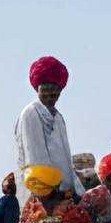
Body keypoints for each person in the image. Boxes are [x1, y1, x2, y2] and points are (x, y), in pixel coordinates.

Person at [14, 55, 77, 195]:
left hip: (63, 193)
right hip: (41, 192)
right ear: (38, 89)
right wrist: (52, 192)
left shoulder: (59, 118)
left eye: (53, 92)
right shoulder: (30, 113)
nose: (49, 97)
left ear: (60, 91)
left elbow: (65, 159)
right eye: (45, 91)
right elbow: (35, 159)